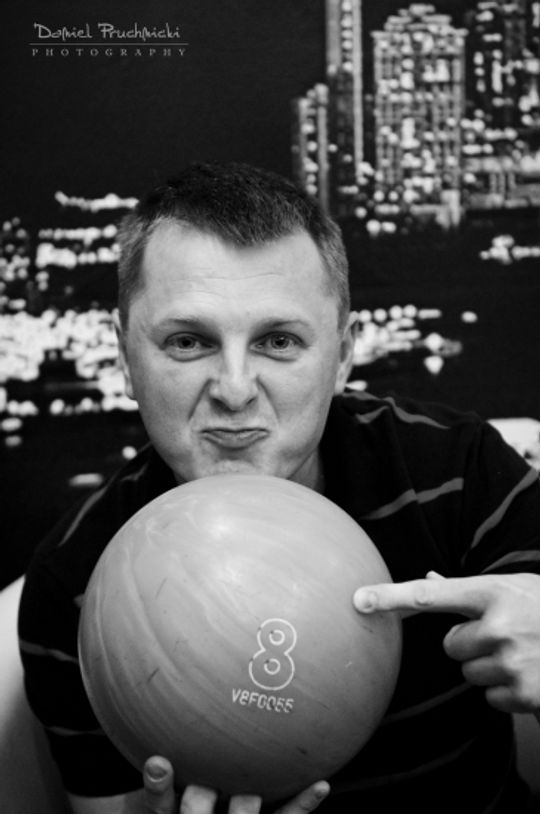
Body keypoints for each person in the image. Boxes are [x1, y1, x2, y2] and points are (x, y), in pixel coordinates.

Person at [18, 161, 540, 814]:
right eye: (188, 341)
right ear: (125, 357)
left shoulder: (462, 474)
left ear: (342, 355)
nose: (235, 389)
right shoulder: (75, 580)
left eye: (279, 340)